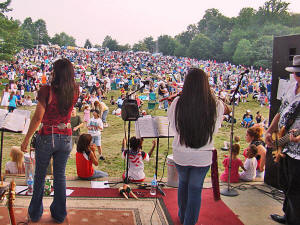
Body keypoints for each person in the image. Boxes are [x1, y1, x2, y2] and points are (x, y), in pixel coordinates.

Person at [167, 68, 229, 225]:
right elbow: (215, 129)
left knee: (183, 183)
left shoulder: (177, 103)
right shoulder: (216, 104)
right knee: (195, 188)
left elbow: (174, 128)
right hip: (203, 154)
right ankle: (189, 222)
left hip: (181, 152)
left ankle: (182, 216)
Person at [20, 58, 79, 223]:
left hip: (48, 135)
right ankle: (59, 214)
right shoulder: (75, 89)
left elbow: (38, 117)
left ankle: (35, 213)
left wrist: (26, 140)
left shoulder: (46, 90)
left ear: (56, 72)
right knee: (60, 175)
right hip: (66, 136)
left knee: (40, 175)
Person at [265, 55, 300, 225]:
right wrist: (269, 131)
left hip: (299, 153)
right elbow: (281, 111)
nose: (298, 77)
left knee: (296, 189)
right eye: (297, 73)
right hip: (286, 147)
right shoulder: (292, 86)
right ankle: (288, 215)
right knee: (285, 184)